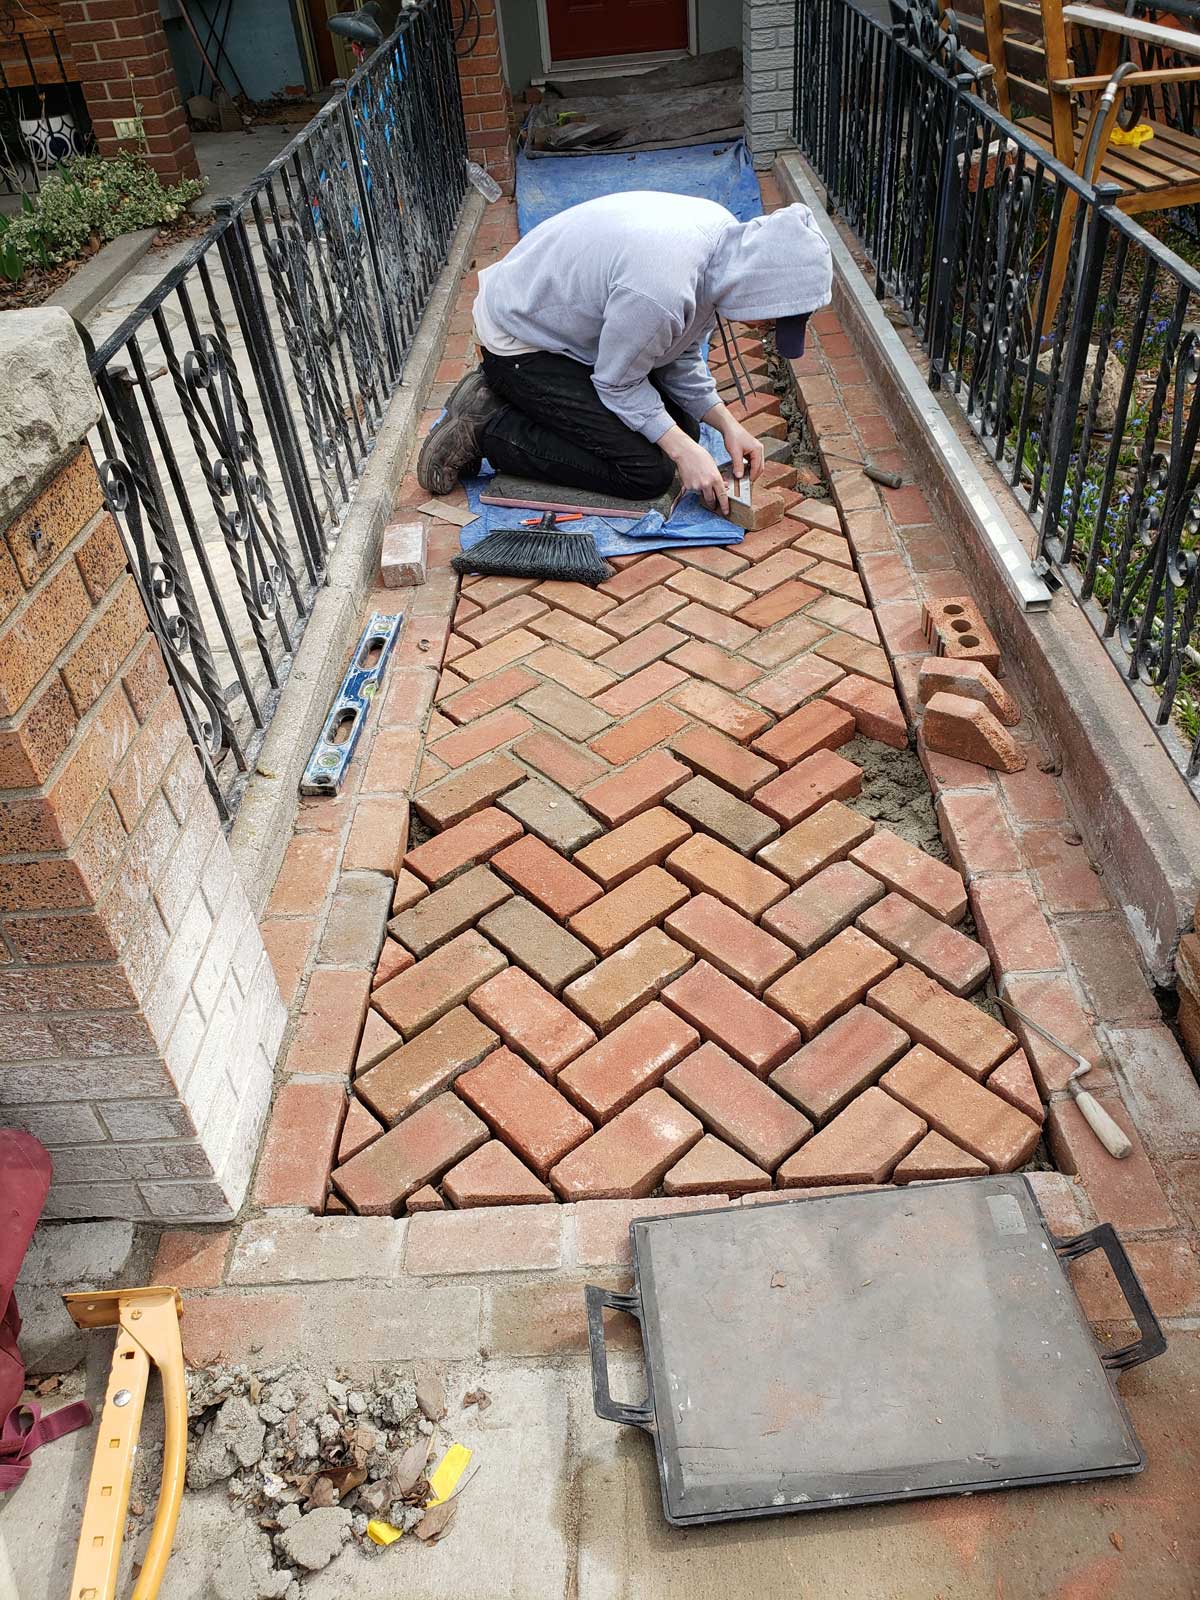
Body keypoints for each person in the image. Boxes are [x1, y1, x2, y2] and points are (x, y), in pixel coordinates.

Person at [417, 190, 833, 516]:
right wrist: (682, 453)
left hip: (572, 334)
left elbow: (678, 353)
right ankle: (488, 426)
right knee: (646, 472)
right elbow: (617, 383)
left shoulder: (723, 252)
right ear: (760, 286)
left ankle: (514, 401)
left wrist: (725, 424)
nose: (764, 328)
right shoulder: (663, 288)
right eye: (772, 319)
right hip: (520, 341)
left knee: (683, 431)